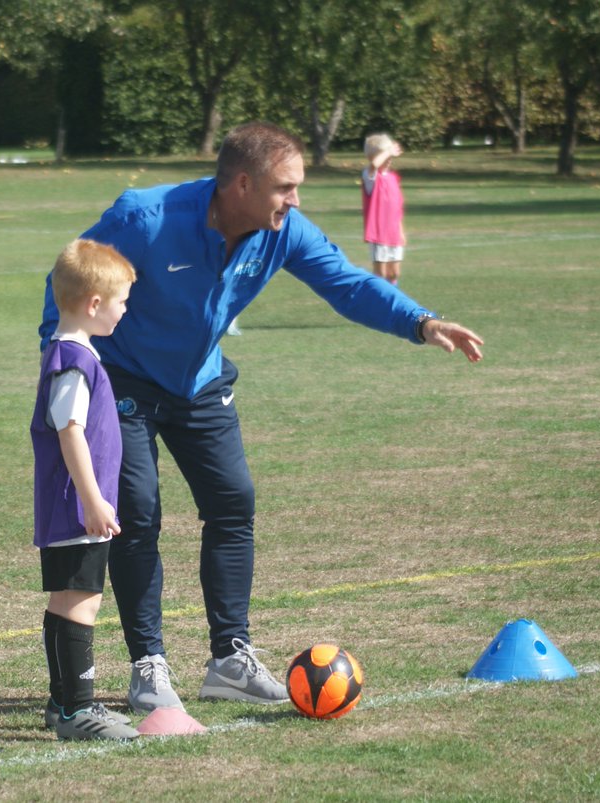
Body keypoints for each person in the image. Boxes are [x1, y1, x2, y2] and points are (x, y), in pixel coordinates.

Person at [38, 121, 483, 714]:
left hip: (200, 381)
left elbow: (348, 284)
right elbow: (68, 286)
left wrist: (420, 322)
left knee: (233, 502)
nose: (295, 200)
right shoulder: (146, 217)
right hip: (123, 381)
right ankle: (149, 665)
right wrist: (66, 368)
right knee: (137, 514)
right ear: (242, 185)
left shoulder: (284, 231)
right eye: (285, 187)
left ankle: (230, 659)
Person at [32, 239, 140, 741]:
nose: (125, 310)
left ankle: (62, 706)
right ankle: (78, 710)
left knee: (67, 600)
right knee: (81, 602)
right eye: (121, 302)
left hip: (71, 505)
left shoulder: (73, 353)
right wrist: (94, 501)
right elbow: (69, 431)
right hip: (77, 507)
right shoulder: (73, 361)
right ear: (95, 304)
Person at [362, 133, 406, 285]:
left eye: (390, 156)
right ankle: (377, 297)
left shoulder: (393, 178)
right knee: (381, 273)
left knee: (394, 273)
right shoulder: (371, 176)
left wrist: (401, 231)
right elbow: (374, 165)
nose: (389, 159)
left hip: (394, 232)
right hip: (379, 233)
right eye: (385, 155)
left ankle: (392, 297)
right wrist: (388, 150)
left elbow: (397, 209)